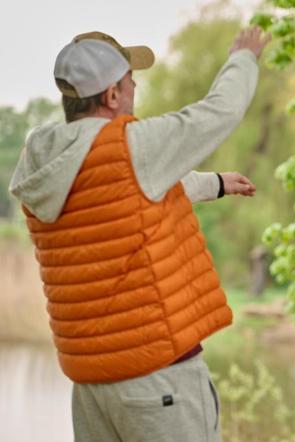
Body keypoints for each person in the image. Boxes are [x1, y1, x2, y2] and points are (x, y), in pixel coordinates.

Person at [9, 27, 270, 441]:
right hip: (158, 383)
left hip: (91, 388)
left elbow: (125, 191)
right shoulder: (132, 145)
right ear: (112, 95)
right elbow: (219, 111)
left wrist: (215, 183)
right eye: (131, 80)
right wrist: (243, 57)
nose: (135, 88)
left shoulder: (44, 161)